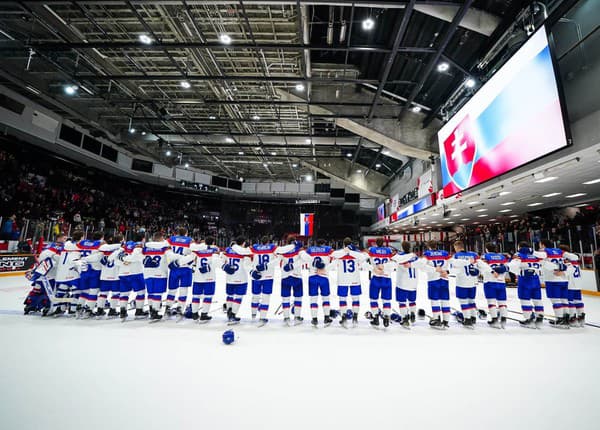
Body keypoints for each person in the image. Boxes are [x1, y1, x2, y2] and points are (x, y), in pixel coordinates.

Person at [247, 236, 296, 326]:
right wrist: (293, 245)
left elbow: (245, 258)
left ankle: (253, 315)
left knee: (255, 296)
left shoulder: (254, 247)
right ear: (269, 242)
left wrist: (251, 271)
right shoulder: (273, 247)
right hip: (268, 276)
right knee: (266, 297)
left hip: (256, 276)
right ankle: (262, 318)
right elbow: (283, 251)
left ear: (260, 241)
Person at [412, 241, 451, 329]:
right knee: (445, 300)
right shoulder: (445, 253)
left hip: (433, 279)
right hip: (444, 279)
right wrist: (447, 271)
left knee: (435, 300)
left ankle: (436, 319)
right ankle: (446, 320)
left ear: (429, 247)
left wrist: (433, 269)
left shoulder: (427, 254)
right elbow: (452, 263)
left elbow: (421, 265)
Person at [331, 237, 367, 328]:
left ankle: (344, 318)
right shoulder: (357, 253)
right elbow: (363, 258)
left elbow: (333, 255)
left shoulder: (339, 253)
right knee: (356, 299)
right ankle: (355, 318)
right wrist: (351, 251)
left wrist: (347, 251)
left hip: (342, 280)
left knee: (342, 299)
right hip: (355, 279)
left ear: (343, 244)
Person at [110, 233, 146, 320]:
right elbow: (135, 257)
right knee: (141, 292)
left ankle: (123, 311)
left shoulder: (123, 246)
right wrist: (126, 259)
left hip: (123, 272)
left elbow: (112, 259)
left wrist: (122, 260)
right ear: (143, 238)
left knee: (124, 293)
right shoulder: (138, 246)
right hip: (135, 272)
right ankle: (139, 310)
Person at [508, 242, 544, 328]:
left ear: (519, 247)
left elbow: (512, 266)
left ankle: (529, 319)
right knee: (537, 299)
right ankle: (540, 317)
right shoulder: (536, 255)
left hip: (525, 279)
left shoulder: (519, 255)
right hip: (536, 279)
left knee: (525, 299)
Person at [300, 239, 335, 328]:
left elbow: (303, 257)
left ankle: (314, 319)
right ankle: (326, 317)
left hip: (312, 276)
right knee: (326, 298)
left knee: (313, 299)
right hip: (324, 276)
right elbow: (336, 260)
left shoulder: (310, 250)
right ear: (323, 243)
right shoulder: (328, 249)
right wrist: (325, 269)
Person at [535, 239, 569, 328]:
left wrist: (531, 252)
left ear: (543, 245)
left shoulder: (545, 252)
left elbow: (539, 257)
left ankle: (560, 319)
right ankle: (566, 319)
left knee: (556, 300)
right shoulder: (559, 251)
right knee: (564, 300)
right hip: (563, 279)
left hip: (552, 279)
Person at [477, 243, 509, 329]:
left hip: (489, 281)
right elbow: (506, 268)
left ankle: (494, 320)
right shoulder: (502, 257)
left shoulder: (485, 256)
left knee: (491, 302)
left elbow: (482, 267)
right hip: (501, 281)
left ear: (487, 249)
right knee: (502, 302)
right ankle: (503, 320)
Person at [142, 232, 173, 321]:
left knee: (151, 293)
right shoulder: (164, 246)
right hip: (159, 273)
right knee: (157, 293)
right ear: (160, 238)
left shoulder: (146, 246)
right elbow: (171, 256)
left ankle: (151, 309)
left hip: (147, 273)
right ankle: (155, 312)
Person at [449, 241, 479, 328]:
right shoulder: (473, 254)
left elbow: (453, 270)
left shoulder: (456, 256)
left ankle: (467, 319)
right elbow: (477, 268)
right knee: (471, 300)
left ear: (456, 247)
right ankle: (473, 317)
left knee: (463, 301)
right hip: (473, 281)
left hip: (462, 281)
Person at [222, 237, 253, 324]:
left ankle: (229, 312)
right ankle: (233, 315)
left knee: (230, 295)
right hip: (241, 278)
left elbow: (222, 260)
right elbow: (247, 265)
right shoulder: (245, 251)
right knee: (238, 297)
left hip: (230, 277)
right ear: (243, 243)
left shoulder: (228, 250)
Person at [190, 236, 221, 323]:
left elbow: (191, 258)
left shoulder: (198, 249)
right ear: (213, 242)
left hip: (198, 276)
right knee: (208, 296)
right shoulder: (214, 250)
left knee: (196, 295)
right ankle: (204, 314)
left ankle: (194, 313)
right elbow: (216, 262)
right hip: (209, 277)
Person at [53, 231, 84, 316]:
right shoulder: (78, 247)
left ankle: (59, 308)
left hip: (61, 273)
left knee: (61, 291)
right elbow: (74, 261)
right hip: (72, 272)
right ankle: (73, 310)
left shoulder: (66, 244)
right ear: (81, 237)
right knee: (76, 291)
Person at [365, 238, 394, 328]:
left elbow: (362, 261)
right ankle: (386, 318)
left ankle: (375, 318)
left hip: (376, 277)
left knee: (373, 299)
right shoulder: (389, 250)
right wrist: (385, 267)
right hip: (386, 277)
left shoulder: (372, 250)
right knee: (386, 300)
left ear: (375, 243)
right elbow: (394, 263)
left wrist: (373, 269)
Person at [165, 228, 194, 316]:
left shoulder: (172, 239)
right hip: (185, 267)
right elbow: (193, 254)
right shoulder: (190, 240)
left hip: (174, 267)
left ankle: (168, 307)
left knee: (172, 289)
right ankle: (180, 308)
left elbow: (166, 250)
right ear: (186, 233)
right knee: (183, 289)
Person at [76, 231, 105, 318]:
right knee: (94, 291)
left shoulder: (83, 243)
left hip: (84, 269)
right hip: (94, 270)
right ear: (102, 237)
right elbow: (97, 257)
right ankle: (88, 310)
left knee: (85, 291)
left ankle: (79, 309)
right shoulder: (100, 244)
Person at [391, 241, 419, 328]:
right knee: (412, 301)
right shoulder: (415, 256)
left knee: (402, 302)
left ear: (402, 247)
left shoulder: (400, 256)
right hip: (414, 282)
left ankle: (405, 319)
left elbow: (394, 260)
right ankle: (413, 314)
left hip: (402, 283)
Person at [95, 234, 123, 318]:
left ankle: (99, 310)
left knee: (103, 293)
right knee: (115, 293)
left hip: (104, 274)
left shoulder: (105, 249)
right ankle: (112, 310)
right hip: (115, 275)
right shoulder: (120, 249)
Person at [278, 238, 304, 326]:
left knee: (285, 299)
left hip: (285, 277)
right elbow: (304, 260)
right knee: (298, 298)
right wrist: (293, 265)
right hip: (297, 276)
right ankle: (297, 317)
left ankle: (286, 318)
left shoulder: (283, 250)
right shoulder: (299, 250)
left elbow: (276, 261)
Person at [560, 245, 585, 326]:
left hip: (570, 284)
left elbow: (566, 272)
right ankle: (581, 317)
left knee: (569, 301)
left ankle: (572, 318)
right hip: (577, 283)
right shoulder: (575, 260)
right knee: (578, 300)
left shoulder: (567, 261)